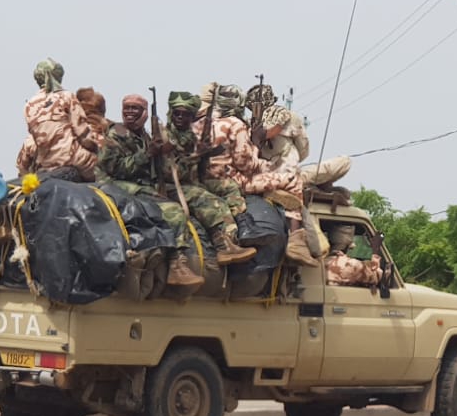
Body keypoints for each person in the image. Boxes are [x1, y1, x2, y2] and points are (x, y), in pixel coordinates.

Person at [194, 84, 318, 267]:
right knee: (293, 180)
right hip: (234, 180)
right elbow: (246, 165)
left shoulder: (200, 123)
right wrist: (257, 146)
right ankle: (296, 240)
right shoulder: (235, 125)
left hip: (202, 180)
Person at [98, 94, 209, 287]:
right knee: (173, 211)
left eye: (135, 109)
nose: (130, 113)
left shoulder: (144, 136)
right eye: (127, 108)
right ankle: (177, 263)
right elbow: (117, 169)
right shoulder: (116, 134)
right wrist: (148, 154)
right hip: (113, 185)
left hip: (139, 184)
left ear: (144, 114)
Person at [151, 91, 257, 263]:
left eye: (185, 114)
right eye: (176, 113)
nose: (179, 117)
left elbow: (199, 169)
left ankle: (240, 229)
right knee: (211, 202)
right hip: (170, 186)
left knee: (228, 186)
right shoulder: (165, 136)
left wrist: (204, 154)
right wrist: (197, 155)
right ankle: (223, 244)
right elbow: (170, 173)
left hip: (192, 181)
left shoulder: (188, 135)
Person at [15, 58, 102, 182]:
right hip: (73, 159)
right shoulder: (66, 96)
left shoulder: (28, 105)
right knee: (106, 173)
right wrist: (97, 148)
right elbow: (84, 135)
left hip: (44, 165)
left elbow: (22, 166)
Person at [324, 225, 384, 289]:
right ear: (346, 243)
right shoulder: (351, 265)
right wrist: (376, 248)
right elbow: (375, 276)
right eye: (351, 241)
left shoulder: (323, 261)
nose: (354, 245)